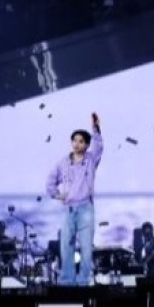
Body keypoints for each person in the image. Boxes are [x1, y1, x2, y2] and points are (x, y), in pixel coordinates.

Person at [45, 113, 103, 286]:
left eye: (81, 141)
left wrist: (96, 128)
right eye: (74, 140)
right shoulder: (63, 162)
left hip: (86, 209)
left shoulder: (91, 159)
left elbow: (99, 146)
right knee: (66, 246)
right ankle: (67, 281)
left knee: (86, 247)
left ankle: (84, 280)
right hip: (69, 209)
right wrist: (56, 194)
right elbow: (50, 181)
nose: (77, 144)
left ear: (86, 145)